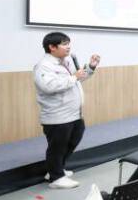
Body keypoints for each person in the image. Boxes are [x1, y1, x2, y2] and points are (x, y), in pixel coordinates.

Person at [33, 32, 100, 189]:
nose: (68, 47)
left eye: (68, 43)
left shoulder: (66, 61)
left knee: (72, 140)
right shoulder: (44, 65)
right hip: (57, 115)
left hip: (74, 113)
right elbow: (49, 86)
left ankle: (56, 170)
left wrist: (90, 67)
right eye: (64, 44)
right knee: (57, 147)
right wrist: (74, 77)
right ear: (52, 47)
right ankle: (56, 178)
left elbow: (78, 78)